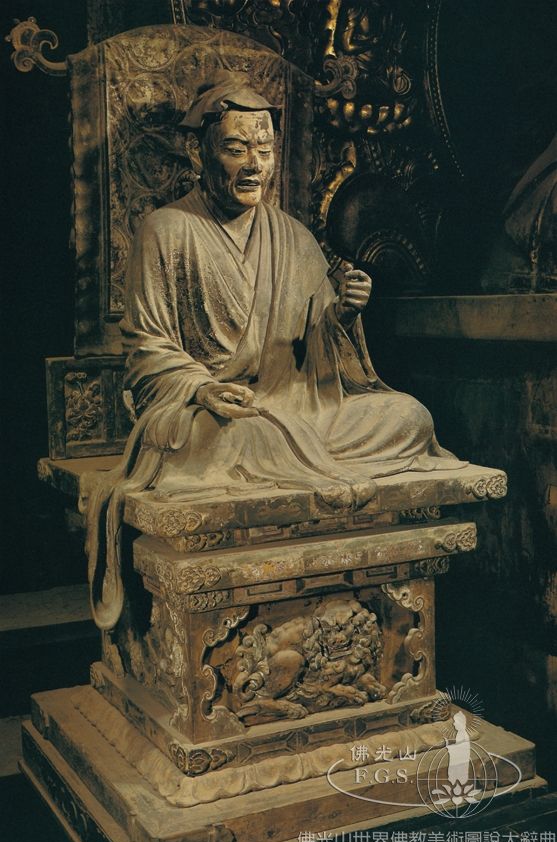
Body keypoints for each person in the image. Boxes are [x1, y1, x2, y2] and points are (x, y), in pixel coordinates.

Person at [86, 71, 464, 630]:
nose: (254, 165)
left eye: (264, 151)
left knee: (408, 417)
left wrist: (343, 315)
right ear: (200, 152)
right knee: (231, 436)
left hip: (295, 406)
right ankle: (299, 460)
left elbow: (321, 360)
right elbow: (146, 347)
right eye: (236, 149)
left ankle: (300, 461)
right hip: (214, 413)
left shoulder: (293, 237)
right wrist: (201, 388)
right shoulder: (165, 230)